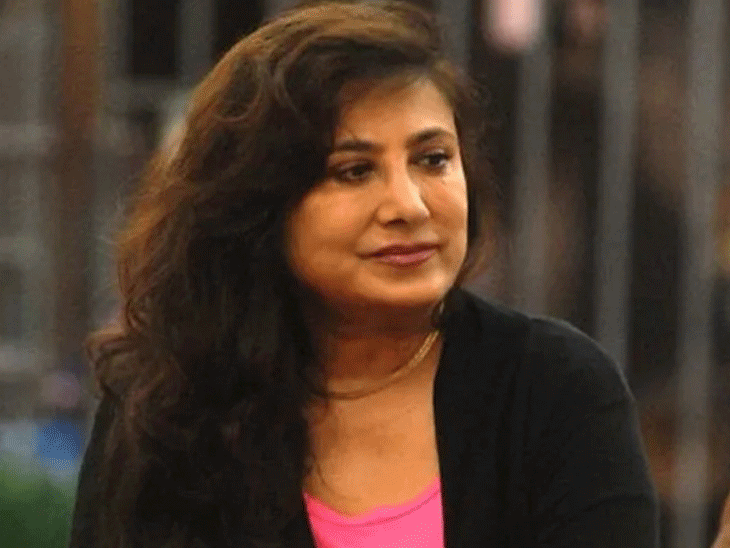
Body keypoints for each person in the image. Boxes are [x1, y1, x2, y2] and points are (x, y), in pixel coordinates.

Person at [67, 1, 658, 547]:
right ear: (258, 204)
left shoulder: (555, 390)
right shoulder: (163, 408)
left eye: (433, 160)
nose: (410, 206)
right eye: (353, 171)